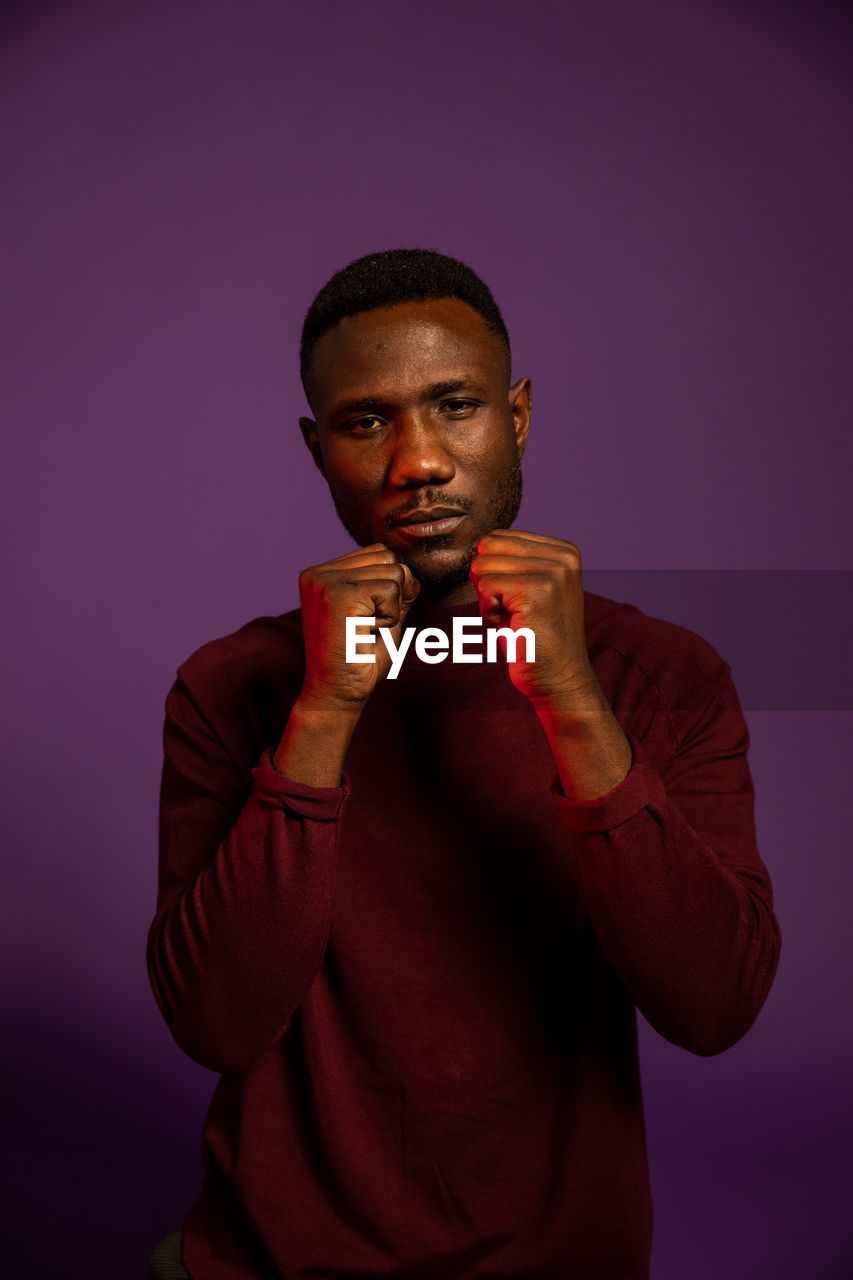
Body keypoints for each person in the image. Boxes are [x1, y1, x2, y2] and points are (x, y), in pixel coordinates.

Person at [146, 248, 782, 1279]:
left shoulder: (660, 674)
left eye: (454, 405)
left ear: (517, 417)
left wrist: (572, 697)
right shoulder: (232, 685)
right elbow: (216, 1018)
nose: (418, 462)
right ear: (318, 450)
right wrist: (325, 706)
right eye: (366, 422)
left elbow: (712, 1006)